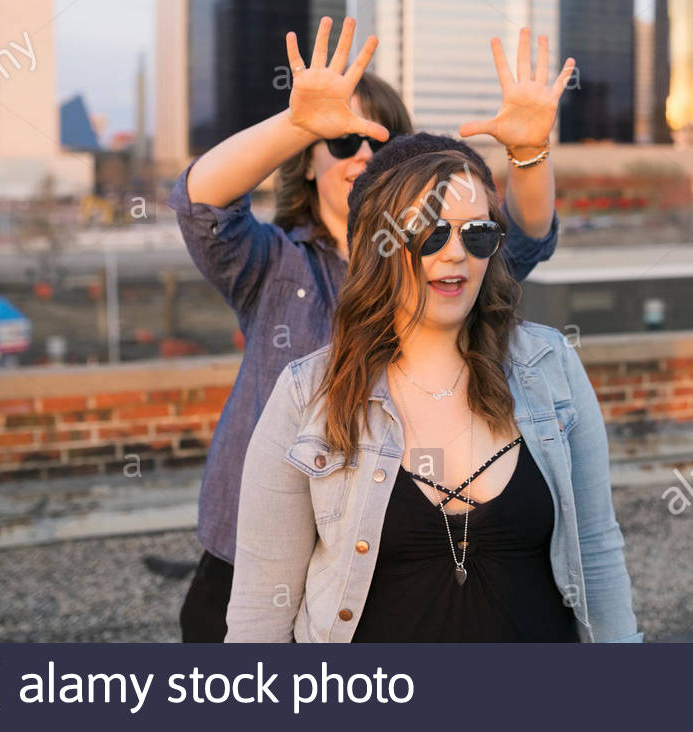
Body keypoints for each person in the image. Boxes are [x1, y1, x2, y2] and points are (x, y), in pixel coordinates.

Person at [168, 16, 570, 641]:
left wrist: (529, 153)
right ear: (306, 164)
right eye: (340, 141)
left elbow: (527, 233)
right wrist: (298, 125)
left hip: (395, 546)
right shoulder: (277, 263)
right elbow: (201, 203)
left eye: (380, 144)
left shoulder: (449, 257)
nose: (361, 155)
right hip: (260, 544)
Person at [224, 134, 641, 642]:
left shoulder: (550, 367)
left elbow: (596, 552)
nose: (456, 254)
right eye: (430, 233)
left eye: (478, 234)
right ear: (378, 245)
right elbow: (260, 612)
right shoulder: (307, 395)